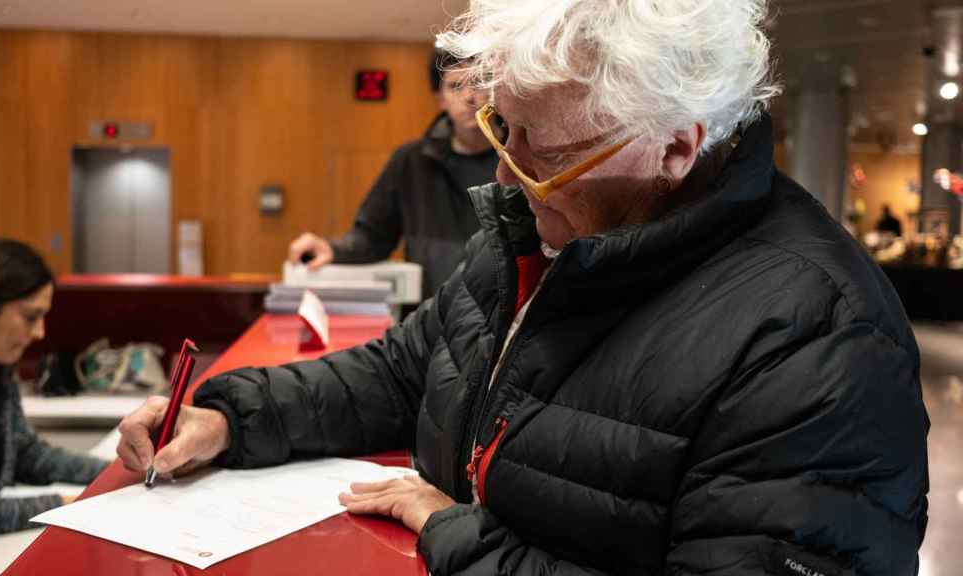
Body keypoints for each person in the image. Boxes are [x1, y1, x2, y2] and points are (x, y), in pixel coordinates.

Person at [119, 1, 930, 574]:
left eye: (546, 155)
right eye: (503, 132)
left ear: (676, 147)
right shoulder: (544, 225)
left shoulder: (821, 340)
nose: (512, 177)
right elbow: (405, 371)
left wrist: (454, 534)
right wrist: (229, 416)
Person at [0, 239, 107, 572]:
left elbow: (28, 455)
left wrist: (117, 472)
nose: (39, 332)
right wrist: (61, 506)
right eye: (31, 317)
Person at [287, 49, 498, 299]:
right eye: (455, 86)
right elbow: (372, 236)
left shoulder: (519, 158)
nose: (469, 97)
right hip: (432, 315)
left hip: (503, 316)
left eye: (478, 82)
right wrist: (332, 249)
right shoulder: (410, 161)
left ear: (495, 90)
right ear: (440, 98)